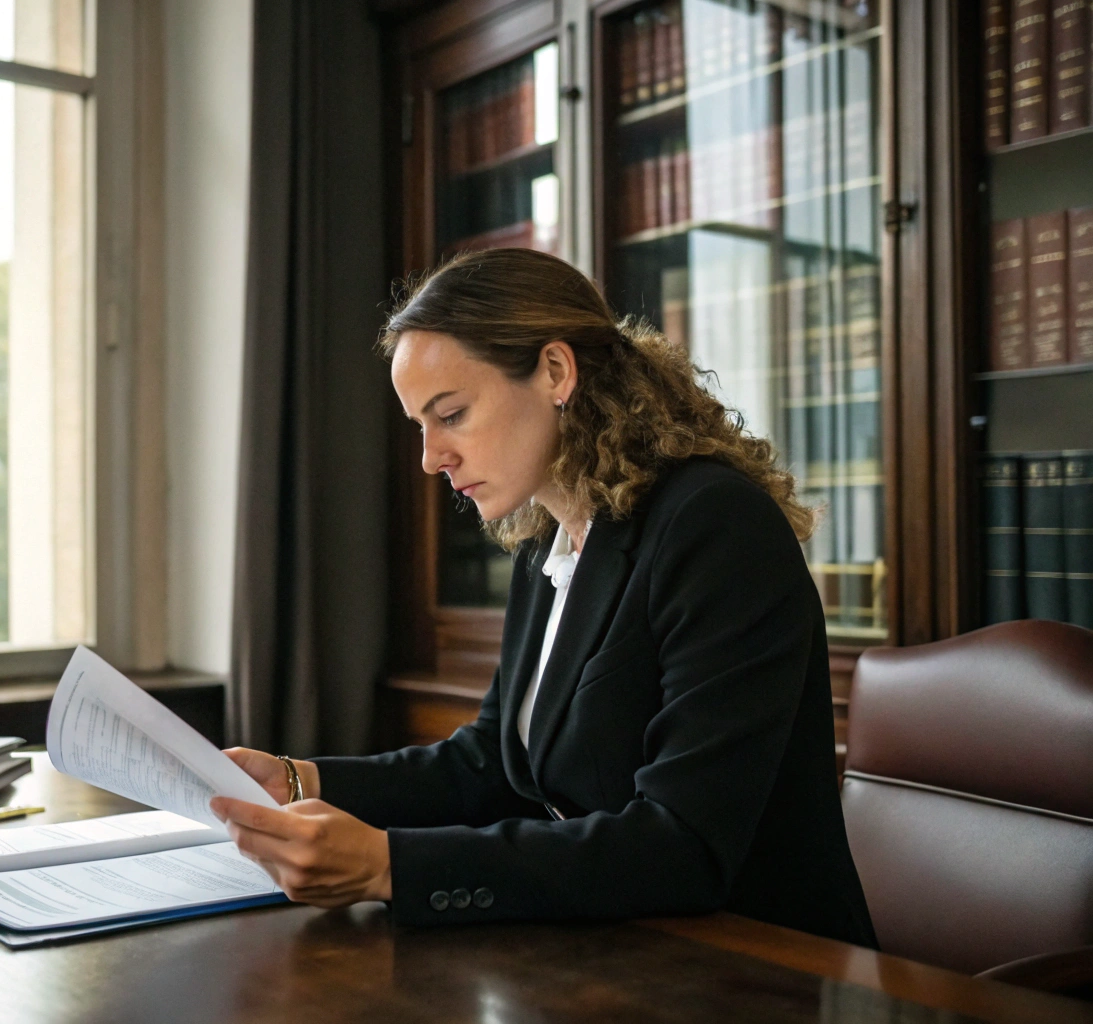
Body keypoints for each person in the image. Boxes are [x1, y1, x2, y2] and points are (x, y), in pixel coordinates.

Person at [210, 247, 877, 945]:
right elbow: (491, 763)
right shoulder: (550, 541)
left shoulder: (712, 525)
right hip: (614, 948)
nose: (431, 457)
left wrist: (388, 866)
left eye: (453, 414)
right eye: (420, 426)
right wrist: (297, 783)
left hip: (761, 969)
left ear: (556, 371)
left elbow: (683, 845)